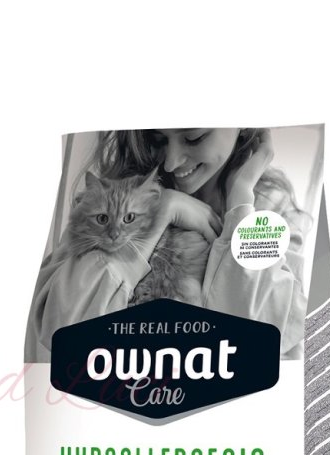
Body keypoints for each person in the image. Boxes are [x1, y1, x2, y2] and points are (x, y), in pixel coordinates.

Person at [25, 128, 309, 362]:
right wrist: (164, 210)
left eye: (194, 138)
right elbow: (61, 331)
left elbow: (266, 337)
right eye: (157, 140)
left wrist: (241, 203)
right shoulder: (106, 196)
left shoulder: (276, 209)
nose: (171, 162)